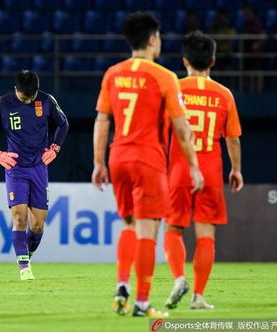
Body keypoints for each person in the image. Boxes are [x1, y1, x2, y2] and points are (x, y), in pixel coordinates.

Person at [92, 12, 203, 318]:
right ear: (153, 39)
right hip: (148, 159)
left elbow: (102, 120)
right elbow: (181, 129)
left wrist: (98, 162)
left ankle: (122, 285)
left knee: (128, 224)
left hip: (118, 157)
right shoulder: (165, 77)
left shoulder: (112, 73)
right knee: (148, 231)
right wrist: (193, 166)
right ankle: (141, 303)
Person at [164, 30, 243, 310]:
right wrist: (236, 170)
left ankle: (179, 279)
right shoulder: (224, 94)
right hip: (209, 171)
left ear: (185, 61)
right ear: (212, 61)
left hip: (179, 169)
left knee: (173, 229)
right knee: (206, 235)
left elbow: (163, 131)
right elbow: (232, 138)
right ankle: (198, 296)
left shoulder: (173, 88)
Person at [0, 70, 69, 280]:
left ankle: (26, 255)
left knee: (37, 225)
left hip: (38, 168)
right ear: (16, 89)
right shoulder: (2, 104)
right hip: (15, 168)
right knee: (19, 217)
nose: (28, 100)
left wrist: (55, 147)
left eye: (32, 96)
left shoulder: (46, 101)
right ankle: (24, 267)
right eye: (24, 97)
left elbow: (64, 124)